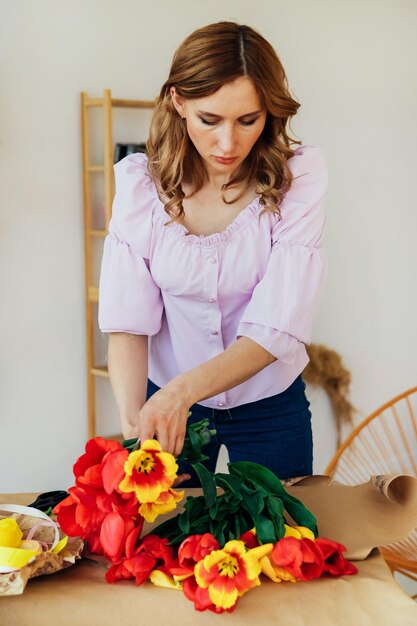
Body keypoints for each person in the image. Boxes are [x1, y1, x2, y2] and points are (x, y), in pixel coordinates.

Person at [98, 21, 328, 484]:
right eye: (210, 119)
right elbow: (128, 322)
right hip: (165, 405)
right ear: (179, 102)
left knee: (282, 547)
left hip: (269, 407)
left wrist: (182, 391)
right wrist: (133, 425)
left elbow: (274, 330)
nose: (228, 144)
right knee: (166, 547)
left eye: (248, 120)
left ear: (270, 113)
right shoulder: (140, 187)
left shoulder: (297, 182)